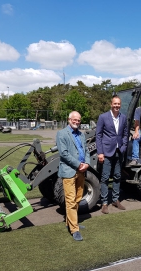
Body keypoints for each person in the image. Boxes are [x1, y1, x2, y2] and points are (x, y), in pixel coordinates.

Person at [56, 111, 90, 241]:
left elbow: (86, 150)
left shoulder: (81, 135)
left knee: (77, 199)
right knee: (70, 201)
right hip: (69, 171)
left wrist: (86, 163)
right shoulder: (62, 134)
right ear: (69, 119)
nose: (76, 122)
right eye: (74, 119)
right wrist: (78, 164)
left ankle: (70, 222)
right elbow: (64, 154)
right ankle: (74, 229)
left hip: (81, 171)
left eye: (78, 120)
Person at [96, 95, 129, 214]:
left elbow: (125, 134)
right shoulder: (103, 117)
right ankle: (104, 202)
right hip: (106, 152)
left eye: (118, 104)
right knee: (105, 178)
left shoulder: (123, 118)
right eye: (115, 104)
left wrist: (124, 147)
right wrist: (100, 152)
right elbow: (98, 135)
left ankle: (115, 200)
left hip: (119, 152)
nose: (117, 106)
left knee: (117, 176)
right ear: (111, 104)